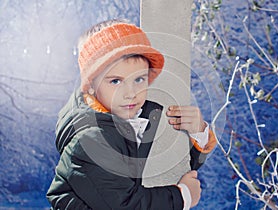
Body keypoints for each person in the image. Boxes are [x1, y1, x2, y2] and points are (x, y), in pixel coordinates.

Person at [46, 19, 216, 210]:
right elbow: (125, 205)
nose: (130, 93)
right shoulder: (90, 140)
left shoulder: (137, 118)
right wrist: (183, 196)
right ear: (91, 86)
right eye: (115, 81)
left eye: (139, 79)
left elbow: (162, 165)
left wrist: (197, 134)